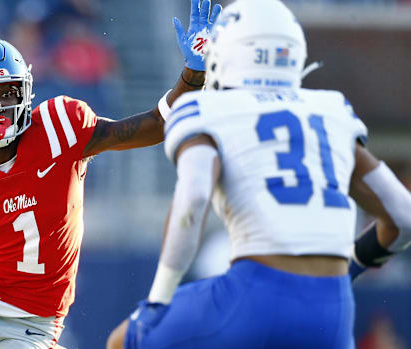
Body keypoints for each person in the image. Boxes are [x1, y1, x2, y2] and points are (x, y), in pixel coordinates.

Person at [0, 0, 222, 348]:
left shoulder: (59, 128)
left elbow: (156, 125)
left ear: (25, 90)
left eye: (7, 92)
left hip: (28, 325)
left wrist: (194, 75)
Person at [106, 0, 411, 348]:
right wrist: (350, 268)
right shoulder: (331, 110)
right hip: (333, 308)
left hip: (255, 291)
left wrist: (158, 299)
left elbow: (192, 200)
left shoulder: (206, 108)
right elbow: (403, 216)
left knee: (122, 341)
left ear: (228, 53)